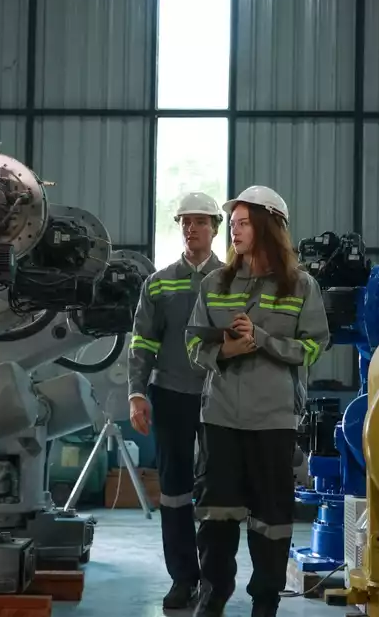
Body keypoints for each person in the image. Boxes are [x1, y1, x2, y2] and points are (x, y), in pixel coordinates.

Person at [185, 186, 330, 617]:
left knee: (271, 522)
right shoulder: (216, 282)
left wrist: (263, 340)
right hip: (222, 418)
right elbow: (192, 341)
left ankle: (265, 603)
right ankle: (213, 598)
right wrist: (223, 353)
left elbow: (312, 349)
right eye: (232, 225)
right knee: (216, 518)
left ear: (269, 226)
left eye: (243, 223)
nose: (234, 231)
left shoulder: (301, 286)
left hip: (273, 421)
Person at [127, 191, 225, 610]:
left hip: (222, 395)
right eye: (185, 221)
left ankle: (216, 579)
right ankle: (183, 578)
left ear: (215, 228)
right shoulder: (160, 281)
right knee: (174, 490)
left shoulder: (234, 279)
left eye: (201, 221)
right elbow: (142, 342)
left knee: (221, 491)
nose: (192, 228)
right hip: (169, 395)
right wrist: (136, 392)